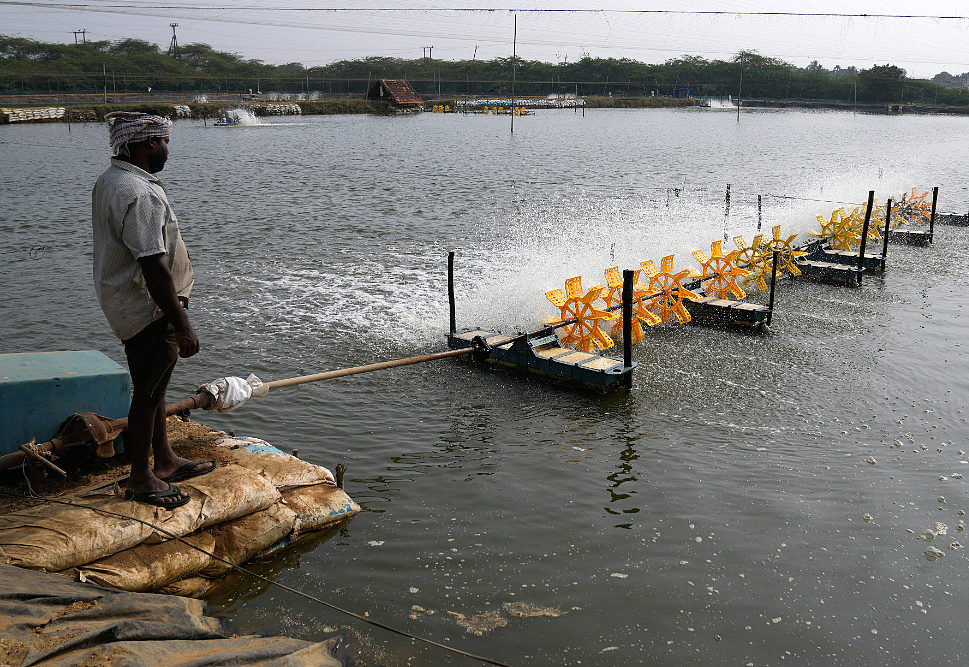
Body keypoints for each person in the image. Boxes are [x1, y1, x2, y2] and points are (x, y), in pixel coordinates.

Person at [92, 111, 214, 507]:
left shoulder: (112, 180)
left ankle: (164, 460)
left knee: (155, 384)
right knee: (147, 392)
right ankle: (140, 477)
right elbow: (153, 265)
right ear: (147, 145)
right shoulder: (139, 193)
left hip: (124, 300)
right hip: (148, 306)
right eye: (163, 142)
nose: (166, 149)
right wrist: (183, 324)